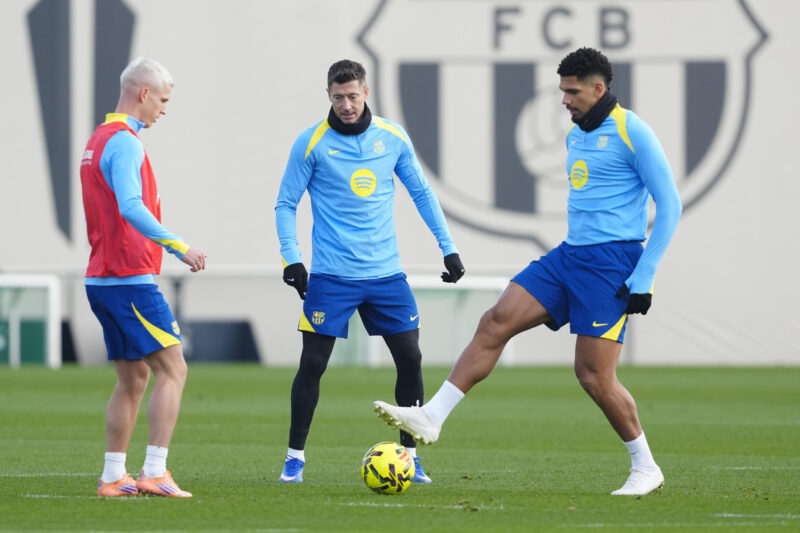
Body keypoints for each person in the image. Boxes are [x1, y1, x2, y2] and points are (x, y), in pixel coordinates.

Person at [374, 47, 682, 496]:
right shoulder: (576, 134)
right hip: (569, 256)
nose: (564, 101)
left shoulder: (632, 131)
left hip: (613, 264)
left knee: (594, 375)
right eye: (562, 91)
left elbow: (670, 204)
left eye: (572, 92)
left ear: (599, 89)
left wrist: (646, 275)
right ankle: (431, 416)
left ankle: (645, 466)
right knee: (495, 320)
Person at [275, 59, 465, 484]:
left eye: (353, 96)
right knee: (313, 364)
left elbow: (421, 192)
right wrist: (292, 258)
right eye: (338, 96)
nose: (346, 104)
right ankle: (295, 458)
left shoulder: (392, 137)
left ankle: (410, 458)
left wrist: (448, 248)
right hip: (331, 276)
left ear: (366, 92)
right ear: (328, 94)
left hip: (386, 276)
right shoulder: (311, 144)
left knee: (411, 358)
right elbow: (286, 203)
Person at [80, 57, 207, 498]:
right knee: (174, 369)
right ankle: (155, 470)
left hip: (102, 280)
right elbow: (131, 207)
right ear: (142, 94)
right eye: (163, 100)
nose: (164, 110)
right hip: (129, 280)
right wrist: (180, 246)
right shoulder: (126, 143)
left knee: (133, 379)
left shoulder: (98, 139)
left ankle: (113, 476)